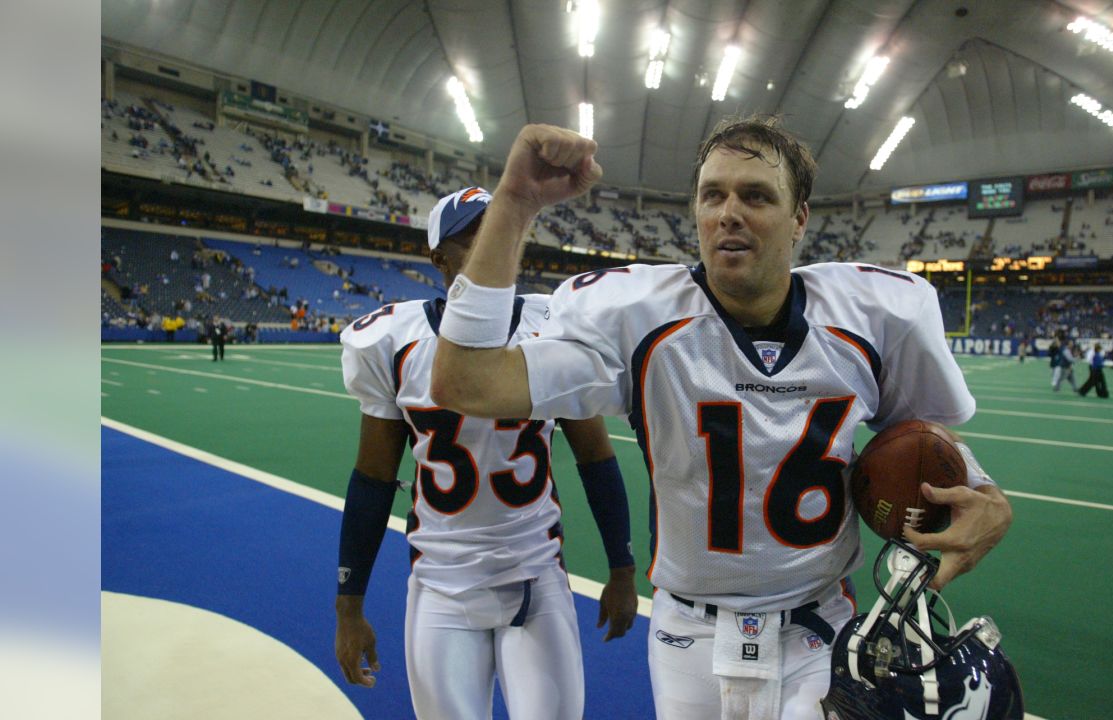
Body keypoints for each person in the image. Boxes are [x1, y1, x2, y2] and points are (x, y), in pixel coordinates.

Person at [428, 119, 1013, 719]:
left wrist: (982, 488)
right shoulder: (639, 318)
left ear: (799, 219)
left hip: (818, 626)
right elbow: (463, 382)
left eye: (756, 195)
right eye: (714, 195)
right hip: (687, 634)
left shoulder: (871, 315)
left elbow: (924, 437)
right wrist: (515, 204)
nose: (729, 212)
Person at [334, 187, 638, 720]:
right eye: (474, 235)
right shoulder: (395, 342)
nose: (492, 244)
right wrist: (348, 606)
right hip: (441, 583)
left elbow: (596, 457)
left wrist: (622, 567)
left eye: (502, 230)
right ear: (438, 256)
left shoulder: (551, 327)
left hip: (536, 574)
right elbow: (373, 479)